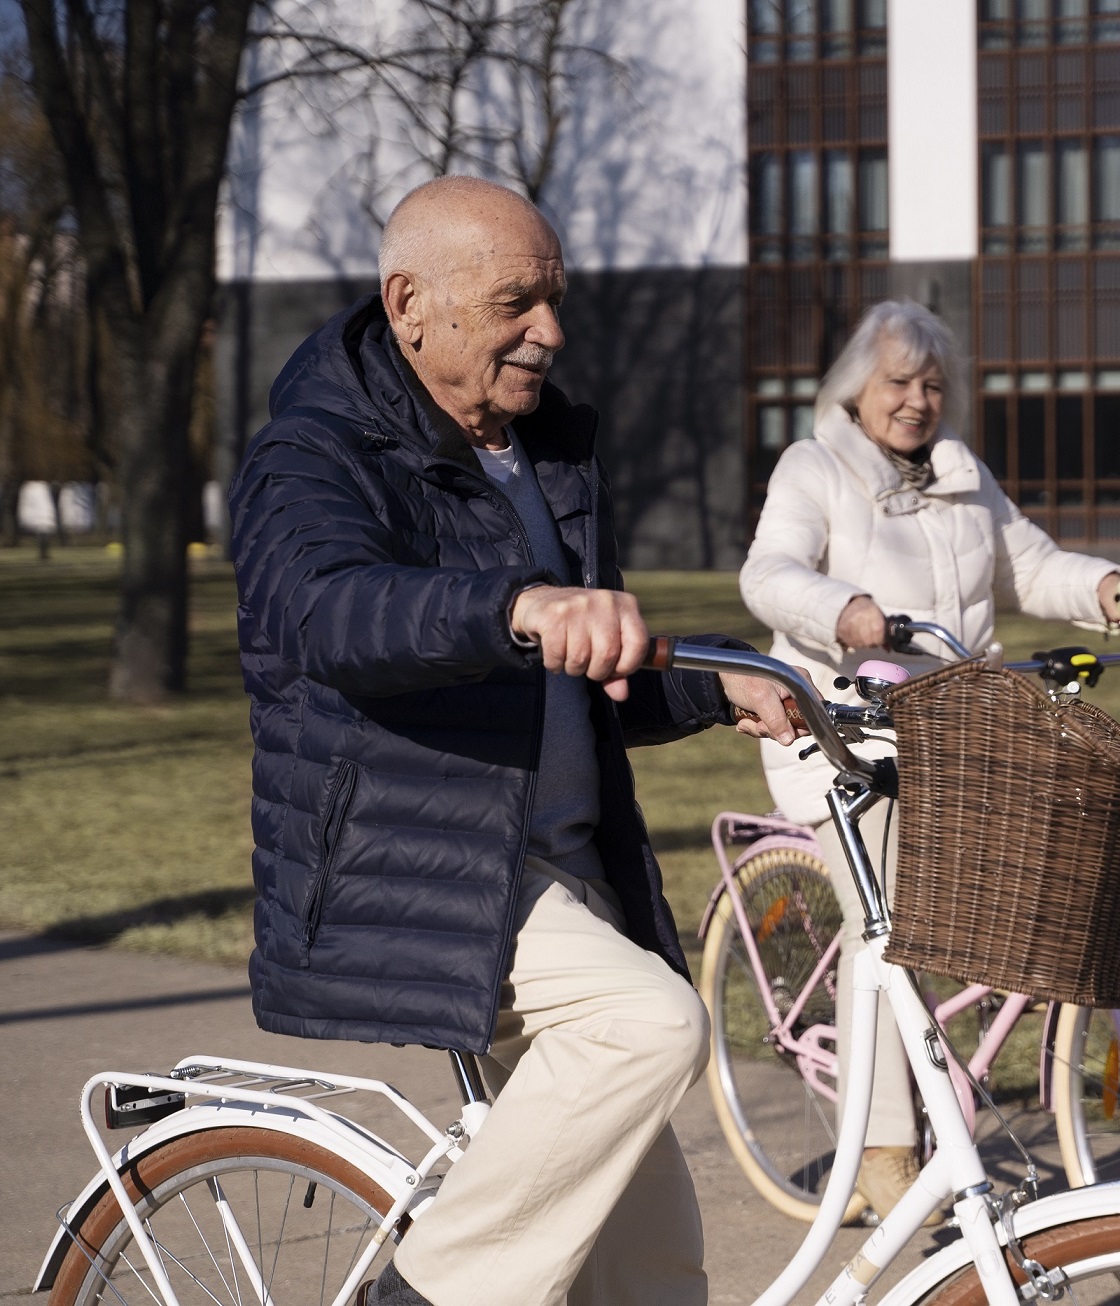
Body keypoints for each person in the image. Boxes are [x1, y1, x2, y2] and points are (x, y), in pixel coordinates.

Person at [230, 175, 803, 1306]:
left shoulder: (534, 449)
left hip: (553, 872)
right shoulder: (313, 452)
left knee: (653, 1271)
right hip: (415, 866)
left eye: (555, 299)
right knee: (649, 1027)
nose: (550, 330)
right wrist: (513, 606)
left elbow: (572, 671)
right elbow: (331, 613)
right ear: (409, 302)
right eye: (516, 302)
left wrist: (708, 683)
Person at [739, 300, 1120, 1220]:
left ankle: (978, 1062)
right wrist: (844, 611)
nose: (916, 402)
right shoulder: (815, 466)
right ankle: (882, 1145)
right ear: (855, 391)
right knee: (888, 928)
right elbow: (769, 572)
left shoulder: (963, 475)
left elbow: (1026, 569)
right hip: (843, 735)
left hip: (956, 731)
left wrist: (1103, 586)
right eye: (897, 383)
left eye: (932, 385)